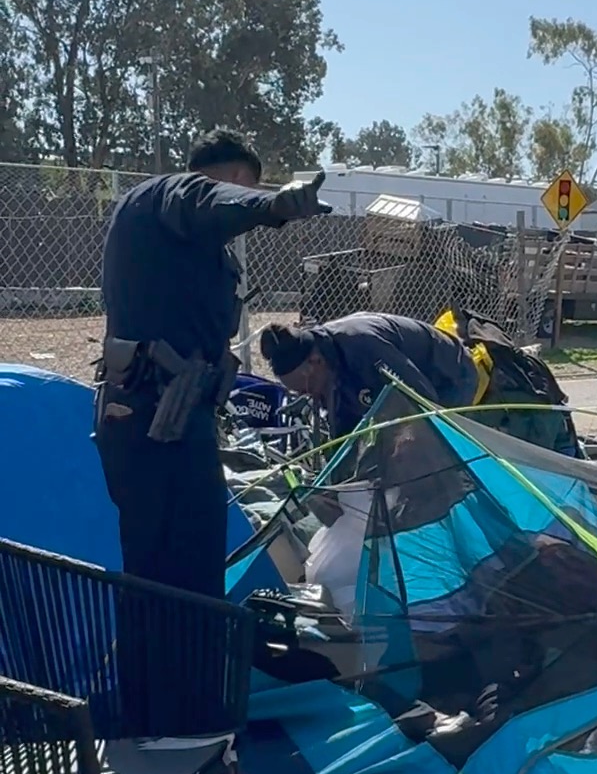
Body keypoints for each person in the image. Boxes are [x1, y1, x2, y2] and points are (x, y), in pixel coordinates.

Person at [95, 130, 329, 597]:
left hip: (163, 417)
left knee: (160, 574)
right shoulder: (172, 194)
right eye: (250, 187)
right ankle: (182, 667)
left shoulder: (180, 241)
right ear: (241, 177)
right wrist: (273, 206)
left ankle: (163, 667)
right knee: (183, 578)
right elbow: (210, 197)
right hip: (156, 420)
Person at [258, 311, 482, 437]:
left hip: (450, 374)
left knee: (427, 450)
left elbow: (422, 401)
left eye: (306, 388)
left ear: (315, 362)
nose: (309, 395)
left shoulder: (362, 345)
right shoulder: (327, 364)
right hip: (410, 388)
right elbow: (345, 436)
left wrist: (406, 442)